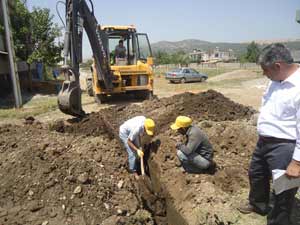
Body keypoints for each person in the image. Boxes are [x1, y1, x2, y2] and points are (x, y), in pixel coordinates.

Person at [237, 43, 300, 225]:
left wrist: (296, 162)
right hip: (264, 141)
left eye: (265, 70)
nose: (264, 74)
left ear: (278, 66)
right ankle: (258, 205)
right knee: (256, 174)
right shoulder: (274, 81)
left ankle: (278, 221)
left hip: (284, 146)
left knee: (283, 189)